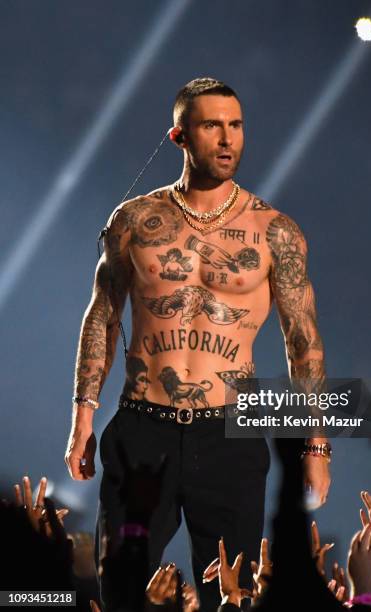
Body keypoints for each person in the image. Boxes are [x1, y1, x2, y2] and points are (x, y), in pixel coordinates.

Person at [64, 77, 331, 611]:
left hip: (230, 435)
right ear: (180, 136)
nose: (228, 138)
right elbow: (102, 314)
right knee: (121, 589)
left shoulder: (274, 231)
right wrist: (83, 417)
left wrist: (316, 445)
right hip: (143, 428)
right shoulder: (134, 221)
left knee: (232, 595)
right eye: (212, 126)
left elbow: (303, 343)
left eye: (235, 125)